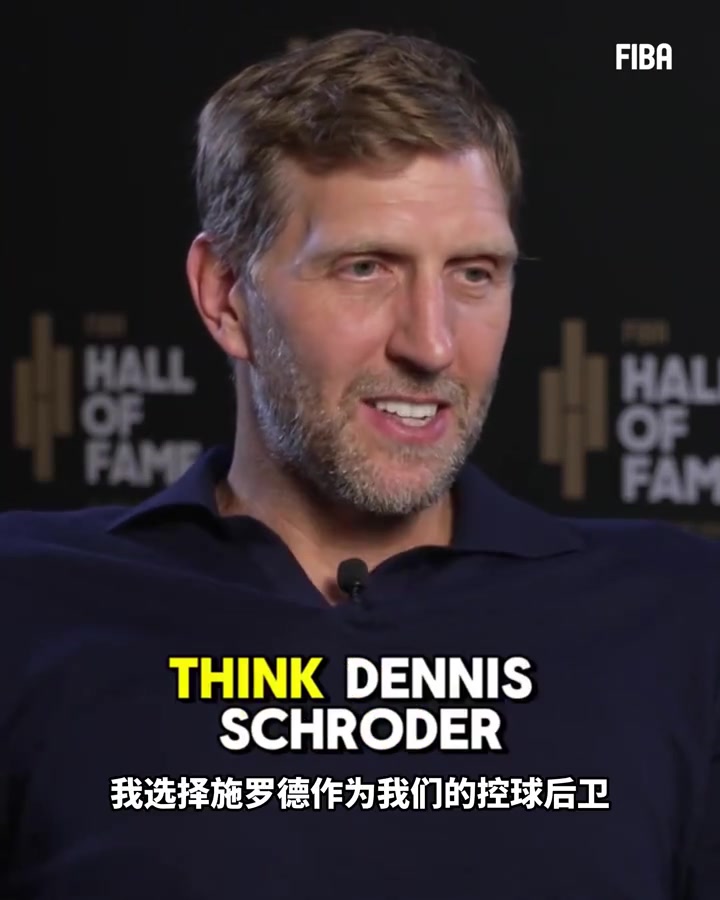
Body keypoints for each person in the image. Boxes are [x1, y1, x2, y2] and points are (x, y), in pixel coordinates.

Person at [1, 28, 718, 900]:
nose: (432, 343)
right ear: (226, 296)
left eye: (474, 273)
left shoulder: (680, 616)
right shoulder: (25, 600)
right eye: (366, 268)